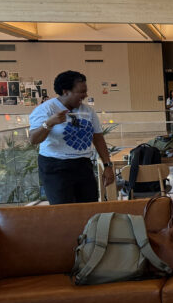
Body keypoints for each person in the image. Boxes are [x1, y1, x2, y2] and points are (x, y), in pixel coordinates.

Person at [28, 70, 114, 204]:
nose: (85, 95)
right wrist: (49, 123)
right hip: (56, 166)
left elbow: (98, 138)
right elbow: (33, 139)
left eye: (85, 91)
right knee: (64, 211)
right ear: (65, 91)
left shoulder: (87, 110)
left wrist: (108, 165)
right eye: (81, 92)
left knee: (89, 207)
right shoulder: (46, 109)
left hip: (83, 164)